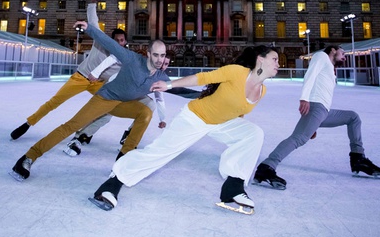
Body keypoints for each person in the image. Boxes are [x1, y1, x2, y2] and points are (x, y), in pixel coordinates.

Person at [89, 45, 279, 215]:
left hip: (221, 123)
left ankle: (234, 187)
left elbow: (238, 112)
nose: (278, 63)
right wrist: (169, 85)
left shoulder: (262, 91)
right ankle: (113, 183)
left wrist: (235, 131)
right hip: (195, 118)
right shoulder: (237, 72)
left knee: (253, 133)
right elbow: (202, 78)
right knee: (161, 152)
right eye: (275, 59)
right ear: (260, 60)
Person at [10, 21, 170, 181]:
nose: (159, 59)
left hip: (123, 104)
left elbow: (179, 87)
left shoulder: (160, 77)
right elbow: (109, 44)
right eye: (155, 54)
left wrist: (194, 89)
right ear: (149, 54)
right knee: (72, 126)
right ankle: (28, 157)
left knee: (146, 112)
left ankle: (122, 160)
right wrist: (90, 29)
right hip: (105, 98)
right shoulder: (132, 59)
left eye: (162, 55)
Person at [253, 45, 380, 190]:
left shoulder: (330, 67)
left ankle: (358, 158)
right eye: (343, 53)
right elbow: (310, 75)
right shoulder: (321, 56)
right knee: (299, 138)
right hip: (316, 106)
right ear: (333, 50)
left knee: (353, 117)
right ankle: (266, 167)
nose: (345, 56)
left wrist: (314, 124)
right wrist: (304, 99)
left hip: (323, 112)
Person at [9, 0, 124, 141]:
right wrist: (93, 1)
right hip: (81, 78)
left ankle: (85, 133)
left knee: (108, 109)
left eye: (122, 41)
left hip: (98, 84)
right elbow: (93, 20)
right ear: (111, 40)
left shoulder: (124, 59)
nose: (120, 43)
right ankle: (28, 123)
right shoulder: (101, 41)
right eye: (117, 40)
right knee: (55, 102)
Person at [63, 55, 171, 156]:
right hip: (115, 89)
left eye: (166, 64)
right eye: (162, 62)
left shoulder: (158, 77)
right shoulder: (142, 67)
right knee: (106, 115)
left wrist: (162, 118)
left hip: (131, 95)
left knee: (150, 105)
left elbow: (159, 98)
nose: (163, 66)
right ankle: (81, 136)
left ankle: (129, 138)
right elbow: (115, 64)